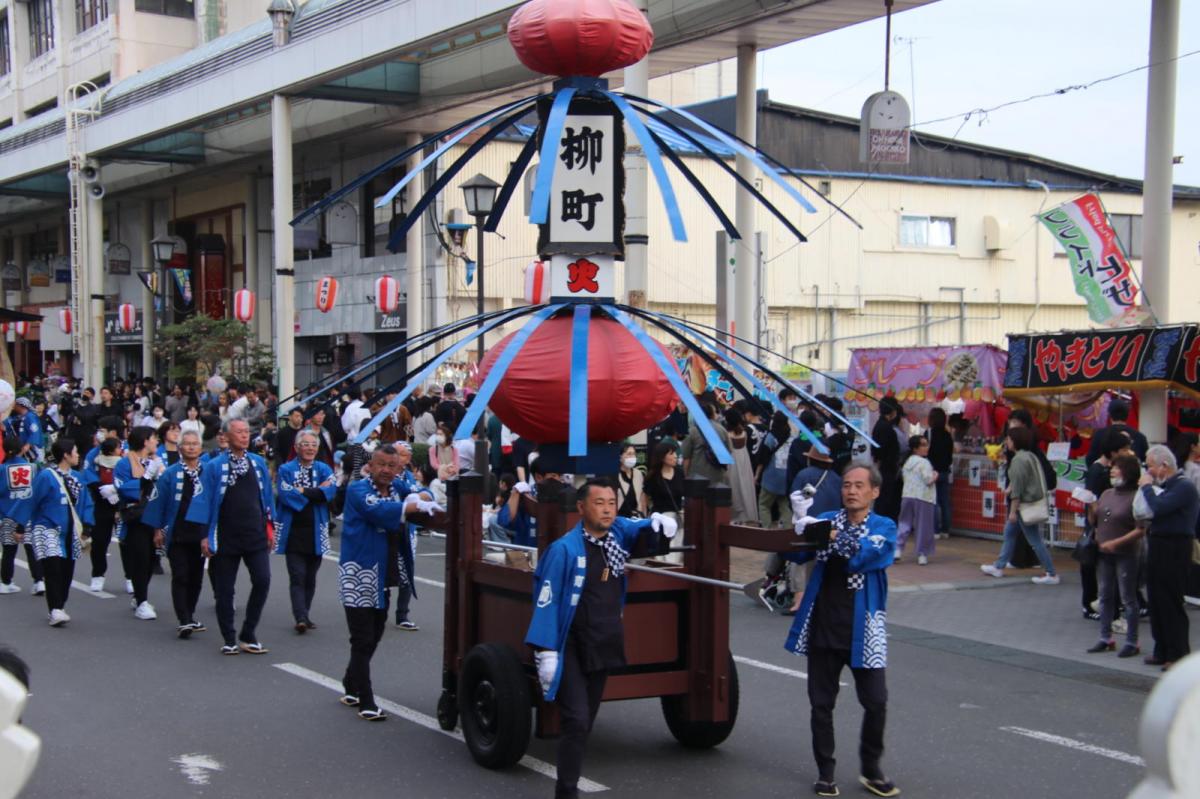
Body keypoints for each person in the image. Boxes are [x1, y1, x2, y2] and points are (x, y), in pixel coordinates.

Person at [526, 481, 677, 799]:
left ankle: (568, 782)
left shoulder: (616, 537)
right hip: (570, 645)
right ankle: (566, 792)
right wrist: (547, 652)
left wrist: (659, 524)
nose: (607, 508)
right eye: (599, 503)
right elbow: (546, 601)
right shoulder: (564, 550)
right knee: (577, 719)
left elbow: (640, 530)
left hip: (603, 640)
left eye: (611, 502)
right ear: (581, 508)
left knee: (585, 721)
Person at [781, 464, 900, 798]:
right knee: (821, 704)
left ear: (874, 492)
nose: (851, 491)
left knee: (876, 701)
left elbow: (864, 557)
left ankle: (871, 769)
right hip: (824, 622)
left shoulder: (884, 526)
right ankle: (825, 773)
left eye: (859, 485)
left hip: (865, 629)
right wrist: (799, 522)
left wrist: (830, 536)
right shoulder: (827, 519)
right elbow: (796, 551)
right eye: (847, 484)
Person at [338, 445, 442, 720]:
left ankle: (351, 681)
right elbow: (382, 511)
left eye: (391, 466)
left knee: (376, 630)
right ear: (370, 465)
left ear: (399, 469)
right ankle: (366, 700)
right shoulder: (359, 490)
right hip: (359, 570)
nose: (385, 470)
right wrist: (413, 502)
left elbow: (424, 492)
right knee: (362, 638)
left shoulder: (398, 486)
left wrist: (421, 495)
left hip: (385, 570)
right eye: (381, 464)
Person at [196, 419, 276, 655]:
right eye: (239, 432)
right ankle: (229, 637)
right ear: (227, 437)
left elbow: (268, 499)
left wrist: (270, 528)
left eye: (246, 432)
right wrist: (204, 536)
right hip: (225, 536)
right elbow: (204, 502)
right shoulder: (214, 466)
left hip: (255, 534)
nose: (244, 436)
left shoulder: (258, 462)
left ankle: (248, 633)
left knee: (263, 580)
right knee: (224, 590)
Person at [143, 430, 210, 637]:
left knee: (196, 577)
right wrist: (157, 529)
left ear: (200, 448)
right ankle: (184, 619)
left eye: (194, 444)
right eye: (187, 444)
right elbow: (158, 502)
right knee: (180, 575)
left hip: (200, 533)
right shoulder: (170, 473)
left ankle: (189, 614)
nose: (191, 447)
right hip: (177, 532)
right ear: (180, 448)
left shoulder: (209, 471)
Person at [1139, 445, 1200, 671]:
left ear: (1164, 465)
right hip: (1160, 544)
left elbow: (1159, 508)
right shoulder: (1168, 486)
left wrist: (1146, 488)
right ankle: (1161, 649)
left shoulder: (1183, 487)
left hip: (1175, 547)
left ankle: (1178, 653)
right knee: (1155, 599)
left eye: (1150, 466)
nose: (1148, 471)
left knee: (1170, 600)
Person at [22, 439, 95, 627]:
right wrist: (21, 524)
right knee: (53, 568)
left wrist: (87, 524)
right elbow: (32, 499)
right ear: (66, 454)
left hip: (70, 531)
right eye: (76, 451)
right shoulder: (46, 476)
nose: (78, 455)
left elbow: (86, 502)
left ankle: (59, 605)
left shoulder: (78, 477)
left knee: (66, 570)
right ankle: (55, 608)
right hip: (47, 528)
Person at [274, 429, 337, 634]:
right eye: (305, 444)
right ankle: (300, 616)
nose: (310, 448)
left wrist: (302, 490)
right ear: (296, 447)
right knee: (297, 575)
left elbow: (330, 491)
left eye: (313, 444)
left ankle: (305, 614)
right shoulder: (285, 469)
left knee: (311, 576)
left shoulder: (324, 468)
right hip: (293, 530)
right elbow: (285, 493)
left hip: (316, 529)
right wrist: (315, 492)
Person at [980, 426, 1059, 584]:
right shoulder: (1030, 456)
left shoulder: (1018, 460)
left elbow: (1017, 488)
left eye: (1008, 439)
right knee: (1009, 533)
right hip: (1029, 503)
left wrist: (1013, 511)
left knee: (1034, 540)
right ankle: (999, 566)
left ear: (1014, 441)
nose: (1006, 442)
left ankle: (1051, 573)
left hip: (1023, 506)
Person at [1085, 453, 1145, 658]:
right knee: (1105, 595)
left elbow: (1140, 529)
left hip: (1126, 553)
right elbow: (1096, 521)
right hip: (1104, 552)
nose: (1112, 471)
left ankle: (1132, 641)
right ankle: (1105, 637)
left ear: (1127, 472)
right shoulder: (1107, 493)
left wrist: (1115, 543)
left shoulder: (1137, 496)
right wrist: (1092, 508)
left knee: (1128, 598)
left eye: (1117, 468)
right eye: (1112, 467)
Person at [112, 427, 166, 620]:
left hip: (155, 516)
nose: (156, 442)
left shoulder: (157, 461)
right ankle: (142, 600)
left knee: (152, 559)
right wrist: (145, 478)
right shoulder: (124, 464)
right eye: (153, 438)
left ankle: (139, 595)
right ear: (145, 441)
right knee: (141, 558)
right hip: (136, 518)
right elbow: (123, 489)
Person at [0, 436, 40, 596]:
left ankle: (6, 582)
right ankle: (39, 581)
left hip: (7, 514)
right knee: (32, 548)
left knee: (9, 550)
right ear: (22, 448)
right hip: (29, 515)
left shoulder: (2, 470)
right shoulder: (33, 468)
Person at [897, 435, 937, 565]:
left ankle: (897, 549)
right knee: (923, 526)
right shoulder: (924, 462)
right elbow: (928, 480)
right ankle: (922, 554)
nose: (927, 447)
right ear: (916, 448)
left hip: (907, 495)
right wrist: (935, 475)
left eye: (927, 444)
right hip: (923, 497)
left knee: (904, 523)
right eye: (923, 445)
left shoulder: (907, 462)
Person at [1086, 399, 1149, 465]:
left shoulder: (1099, 435)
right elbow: (1145, 463)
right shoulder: (1140, 437)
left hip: (1104, 474)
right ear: (1128, 415)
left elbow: (1090, 460)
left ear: (1109, 415)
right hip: (1131, 474)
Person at [681, 399, 729, 487]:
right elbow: (729, 452)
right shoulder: (722, 430)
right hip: (718, 477)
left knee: (698, 500)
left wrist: (686, 476)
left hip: (697, 477)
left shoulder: (692, 431)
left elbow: (686, 458)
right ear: (712, 414)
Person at [724, 408, 759, 525]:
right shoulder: (744, 433)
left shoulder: (726, 434)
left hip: (731, 463)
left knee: (734, 488)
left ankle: (734, 516)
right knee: (745, 487)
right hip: (744, 462)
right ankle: (748, 515)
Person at [871, 399, 901, 522]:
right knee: (885, 499)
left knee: (882, 498)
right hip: (887, 468)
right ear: (893, 411)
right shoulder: (887, 428)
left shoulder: (879, 425)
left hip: (883, 467)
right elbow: (882, 451)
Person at [926, 407, 954, 537]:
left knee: (934, 501)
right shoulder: (947, 435)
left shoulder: (929, 434)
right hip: (945, 471)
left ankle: (935, 530)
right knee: (945, 501)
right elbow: (949, 455)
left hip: (932, 471)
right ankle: (945, 530)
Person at [614, 444, 645, 519]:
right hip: (619, 517)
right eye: (629, 454)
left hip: (635, 517)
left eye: (634, 454)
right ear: (620, 457)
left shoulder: (638, 474)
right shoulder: (614, 475)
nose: (632, 457)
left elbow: (641, 496)